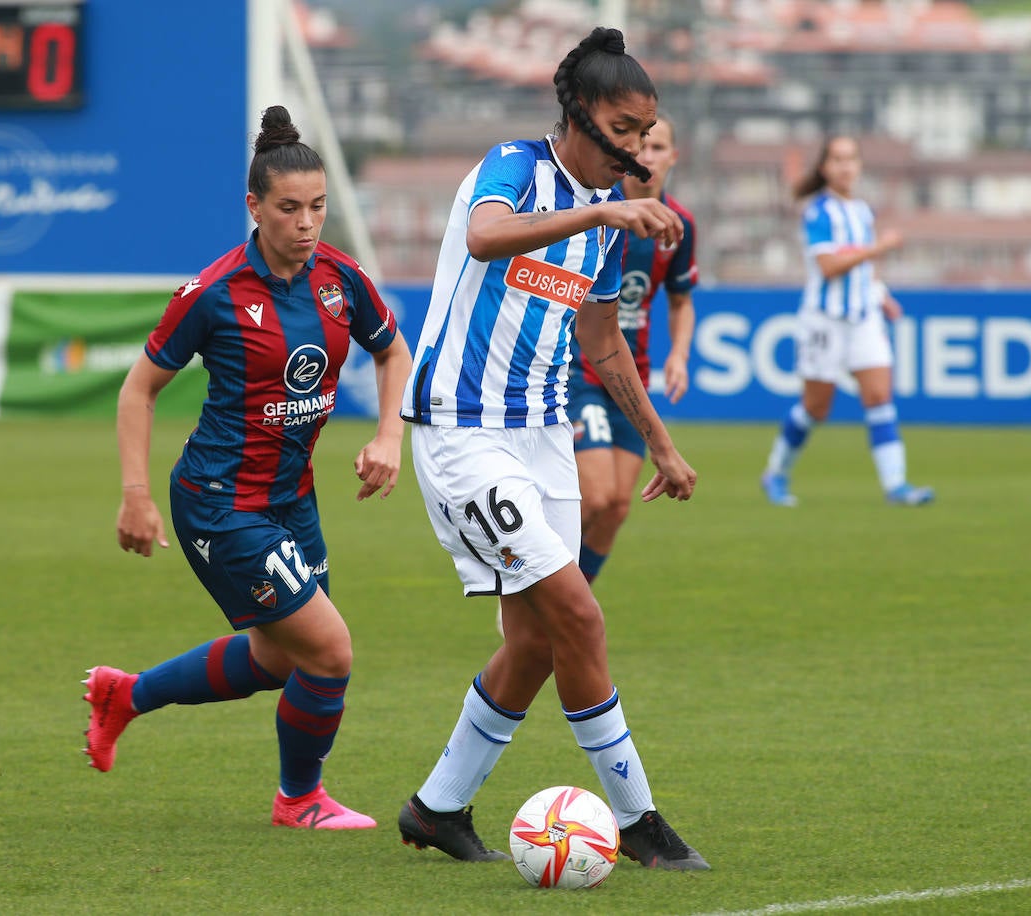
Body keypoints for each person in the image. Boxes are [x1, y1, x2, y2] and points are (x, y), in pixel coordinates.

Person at [396, 27, 710, 871]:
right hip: (465, 433)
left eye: (648, 132)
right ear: (578, 113)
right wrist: (606, 206)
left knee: (535, 640)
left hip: (544, 437)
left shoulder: (606, 225)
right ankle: (638, 818)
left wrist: (663, 445)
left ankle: (436, 808)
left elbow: (603, 345)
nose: (638, 149)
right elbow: (486, 237)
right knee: (578, 614)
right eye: (625, 127)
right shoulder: (517, 168)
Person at [82, 105, 412, 830]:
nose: (307, 223)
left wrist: (390, 436)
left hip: (292, 498)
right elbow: (138, 390)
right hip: (219, 502)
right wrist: (134, 496)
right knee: (328, 652)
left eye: (319, 206)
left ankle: (125, 696)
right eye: (289, 208)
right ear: (254, 206)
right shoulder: (214, 293)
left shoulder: (339, 278)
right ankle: (299, 801)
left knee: (277, 658)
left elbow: (393, 351)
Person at [760, 134, 934, 508]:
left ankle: (897, 486)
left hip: (863, 318)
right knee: (816, 407)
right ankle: (775, 473)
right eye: (837, 159)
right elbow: (829, 266)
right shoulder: (818, 212)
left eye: (851, 158)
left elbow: (864, 270)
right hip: (824, 322)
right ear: (825, 168)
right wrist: (878, 248)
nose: (845, 166)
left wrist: (882, 294)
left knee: (879, 396)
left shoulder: (861, 211)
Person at [569, 113, 697, 586]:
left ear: (673, 158)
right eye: (640, 145)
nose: (647, 155)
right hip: (578, 369)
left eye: (659, 147)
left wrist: (679, 353)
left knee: (618, 506)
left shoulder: (679, 224)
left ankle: (567, 604)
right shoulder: (601, 212)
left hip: (630, 377)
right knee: (597, 496)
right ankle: (534, 593)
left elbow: (681, 301)